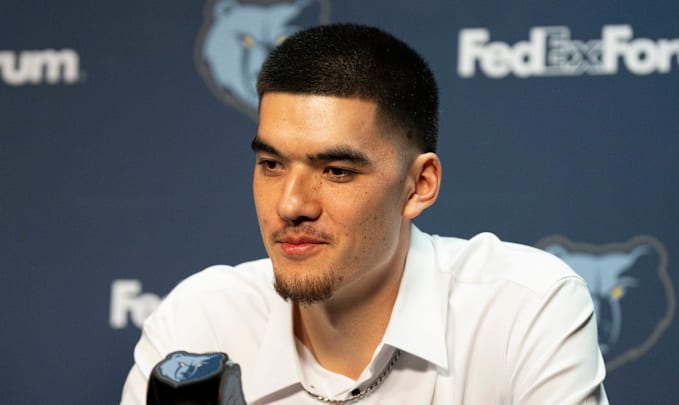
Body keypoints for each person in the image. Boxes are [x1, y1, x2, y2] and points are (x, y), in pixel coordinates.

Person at [121, 23, 608, 404]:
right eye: (271, 164)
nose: (291, 204)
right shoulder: (199, 322)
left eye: (335, 171)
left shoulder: (522, 310)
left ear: (419, 186)